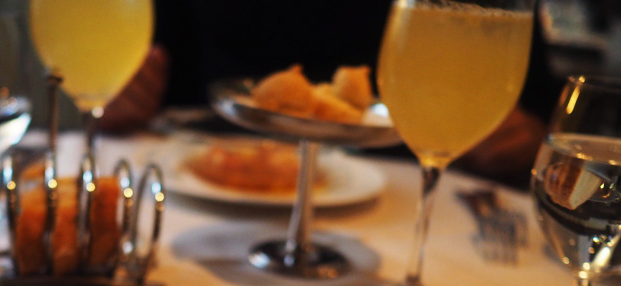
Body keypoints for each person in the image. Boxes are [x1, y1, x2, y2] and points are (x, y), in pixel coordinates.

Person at [100, 0, 563, 189]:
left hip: (407, 200)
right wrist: (115, 95)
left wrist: (523, 143)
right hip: (204, 185)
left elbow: (543, 123)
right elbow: (148, 63)